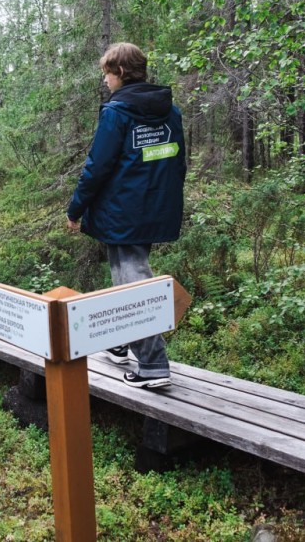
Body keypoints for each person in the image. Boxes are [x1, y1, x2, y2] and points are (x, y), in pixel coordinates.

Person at [66, 42, 187, 389]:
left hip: (123, 208)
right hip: (155, 205)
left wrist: (76, 208)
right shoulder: (171, 111)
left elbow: (97, 167)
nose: (104, 80)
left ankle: (152, 363)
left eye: (106, 73)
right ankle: (122, 338)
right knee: (125, 269)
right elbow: (177, 163)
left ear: (119, 72)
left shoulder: (117, 112)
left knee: (132, 275)